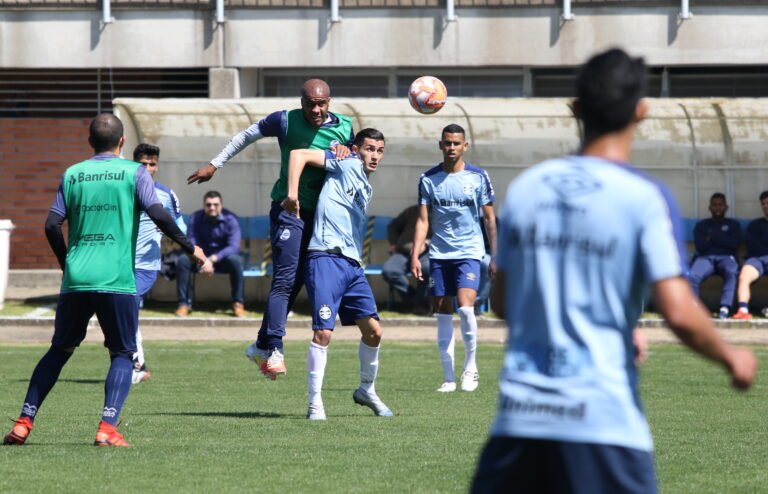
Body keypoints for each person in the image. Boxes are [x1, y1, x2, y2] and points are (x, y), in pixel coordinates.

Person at [471, 48, 757, 494]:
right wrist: (732, 356)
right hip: (603, 428)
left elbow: (505, 303)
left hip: (519, 428)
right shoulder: (642, 197)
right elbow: (678, 312)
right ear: (641, 112)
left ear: (576, 109)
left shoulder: (527, 189)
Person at [3, 114, 206, 448]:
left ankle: (25, 422)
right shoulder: (135, 172)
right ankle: (107, 428)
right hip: (117, 279)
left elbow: (51, 225)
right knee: (123, 353)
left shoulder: (73, 174)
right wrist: (190, 248)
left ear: (89, 143)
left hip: (77, 279)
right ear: (123, 142)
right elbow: (158, 214)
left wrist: (66, 262)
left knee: (59, 350)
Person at [187, 79, 354, 379]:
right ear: (300, 101)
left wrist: (346, 151)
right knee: (286, 278)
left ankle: (261, 344)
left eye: (322, 104)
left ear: (329, 102)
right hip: (288, 210)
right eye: (310, 104)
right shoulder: (284, 120)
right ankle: (275, 347)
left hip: (321, 216)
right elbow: (246, 136)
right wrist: (215, 164)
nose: (316, 110)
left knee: (301, 278)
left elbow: (353, 162)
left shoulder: (344, 126)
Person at [282, 128, 394, 421]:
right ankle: (314, 403)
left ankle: (366, 390)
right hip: (325, 257)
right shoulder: (346, 162)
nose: (375, 156)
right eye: (369, 148)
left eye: (380, 151)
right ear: (356, 149)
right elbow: (299, 154)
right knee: (323, 332)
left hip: (352, 265)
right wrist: (292, 195)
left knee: (374, 332)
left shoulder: (366, 187)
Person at [411, 123, 497, 393]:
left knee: (465, 306)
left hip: (470, 252)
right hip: (439, 254)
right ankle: (448, 377)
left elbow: (490, 219)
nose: (451, 148)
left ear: (465, 146)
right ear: (440, 145)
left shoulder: (478, 177)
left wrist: (495, 254)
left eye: (456, 143)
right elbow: (423, 221)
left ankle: (470, 368)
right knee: (443, 312)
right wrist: (415, 255)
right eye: (447, 143)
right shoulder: (428, 179)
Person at [132, 143, 209, 383]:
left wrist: (193, 251)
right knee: (119, 312)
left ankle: (136, 363)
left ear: (157, 166)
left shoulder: (165, 195)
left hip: (145, 264)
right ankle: (133, 361)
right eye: (142, 164)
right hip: (115, 262)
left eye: (151, 164)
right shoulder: (119, 190)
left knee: (127, 306)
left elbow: (179, 227)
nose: (147, 168)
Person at [175, 191, 244, 317]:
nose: (212, 207)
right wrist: (203, 260)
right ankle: (183, 304)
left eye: (215, 204)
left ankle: (238, 303)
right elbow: (192, 243)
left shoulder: (231, 219)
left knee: (236, 261)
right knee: (183, 261)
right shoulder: (196, 218)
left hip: (222, 260)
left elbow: (234, 246)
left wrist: (212, 259)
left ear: (221, 205)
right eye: (208, 204)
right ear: (204, 205)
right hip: (199, 260)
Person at [688, 193, 741, 319]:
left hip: (727, 257)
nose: (718, 208)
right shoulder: (702, 225)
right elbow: (700, 246)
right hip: (706, 257)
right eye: (715, 205)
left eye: (720, 205)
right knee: (693, 275)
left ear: (726, 207)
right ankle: (693, 308)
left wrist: (712, 237)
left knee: (731, 271)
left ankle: (725, 307)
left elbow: (733, 243)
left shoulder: (733, 225)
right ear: (710, 208)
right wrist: (723, 238)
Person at [381, 204, 431, 314]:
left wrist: (428, 243)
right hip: (403, 253)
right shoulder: (412, 210)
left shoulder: (440, 212)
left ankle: (421, 304)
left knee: (427, 269)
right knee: (389, 271)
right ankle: (417, 302)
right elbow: (393, 226)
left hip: (426, 254)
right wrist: (393, 243)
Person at [732, 190, 768, 320]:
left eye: (767, 203)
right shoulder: (755, 225)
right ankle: (743, 310)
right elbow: (752, 245)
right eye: (763, 204)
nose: (765, 206)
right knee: (744, 275)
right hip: (757, 259)